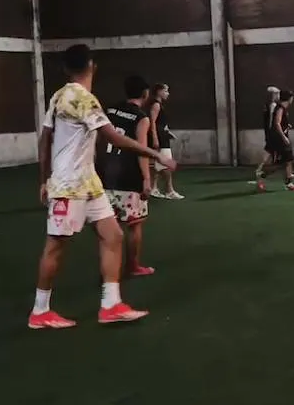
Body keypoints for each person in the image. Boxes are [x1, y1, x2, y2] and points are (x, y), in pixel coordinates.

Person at [28, 45, 176, 330]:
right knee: (55, 246)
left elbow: (45, 139)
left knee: (114, 235)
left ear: (66, 69)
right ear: (92, 66)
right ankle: (40, 311)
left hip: (89, 184)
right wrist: (156, 155)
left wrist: (43, 178)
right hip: (69, 185)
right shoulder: (84, 99)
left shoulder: (58, 96)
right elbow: (113, 137)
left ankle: (110, 305)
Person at [97, 74, 156, 280]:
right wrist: (146, 179)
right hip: (128, 176)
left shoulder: (110, 110)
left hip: (105, 173)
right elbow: (141, 150)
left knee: (107, 228)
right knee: (134, 224)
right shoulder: (141, 117)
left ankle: (107, 270)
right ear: (145, 94)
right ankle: (133, 266)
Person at [257, 89, 294, 192]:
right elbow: (277, 123)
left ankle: (289, 183)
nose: (292, 100)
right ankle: (262, 175)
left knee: (288, 160)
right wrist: (284, 137)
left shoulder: (283, 108)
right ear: (289, 98)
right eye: (292, 98)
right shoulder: (280, 108)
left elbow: (281, 123)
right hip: (278, 139)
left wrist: (287, 126)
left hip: (281, 138)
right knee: (280, 163)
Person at [148, 83, 182, 199]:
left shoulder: (159, 105)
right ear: (159, 92)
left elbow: (160, 124)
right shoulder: (156, 105)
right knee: (166, 164)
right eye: (166, 91)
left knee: (156, 164)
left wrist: (168, 132)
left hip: (162, 135)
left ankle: (154, 188)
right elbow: (152, 122)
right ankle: (169, 191)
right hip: (160, 138)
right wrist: (155, 138)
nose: (168, 93)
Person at [254, 85, 281, 181]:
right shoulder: (272, 106)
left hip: (269, 132)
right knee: (269, 151)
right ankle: (260, 169)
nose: (278, 96)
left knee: (270, 151)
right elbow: (271, 121)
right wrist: (272, 131)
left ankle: (262, 169)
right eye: (276, 94)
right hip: (272, 133)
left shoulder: (267, 105)